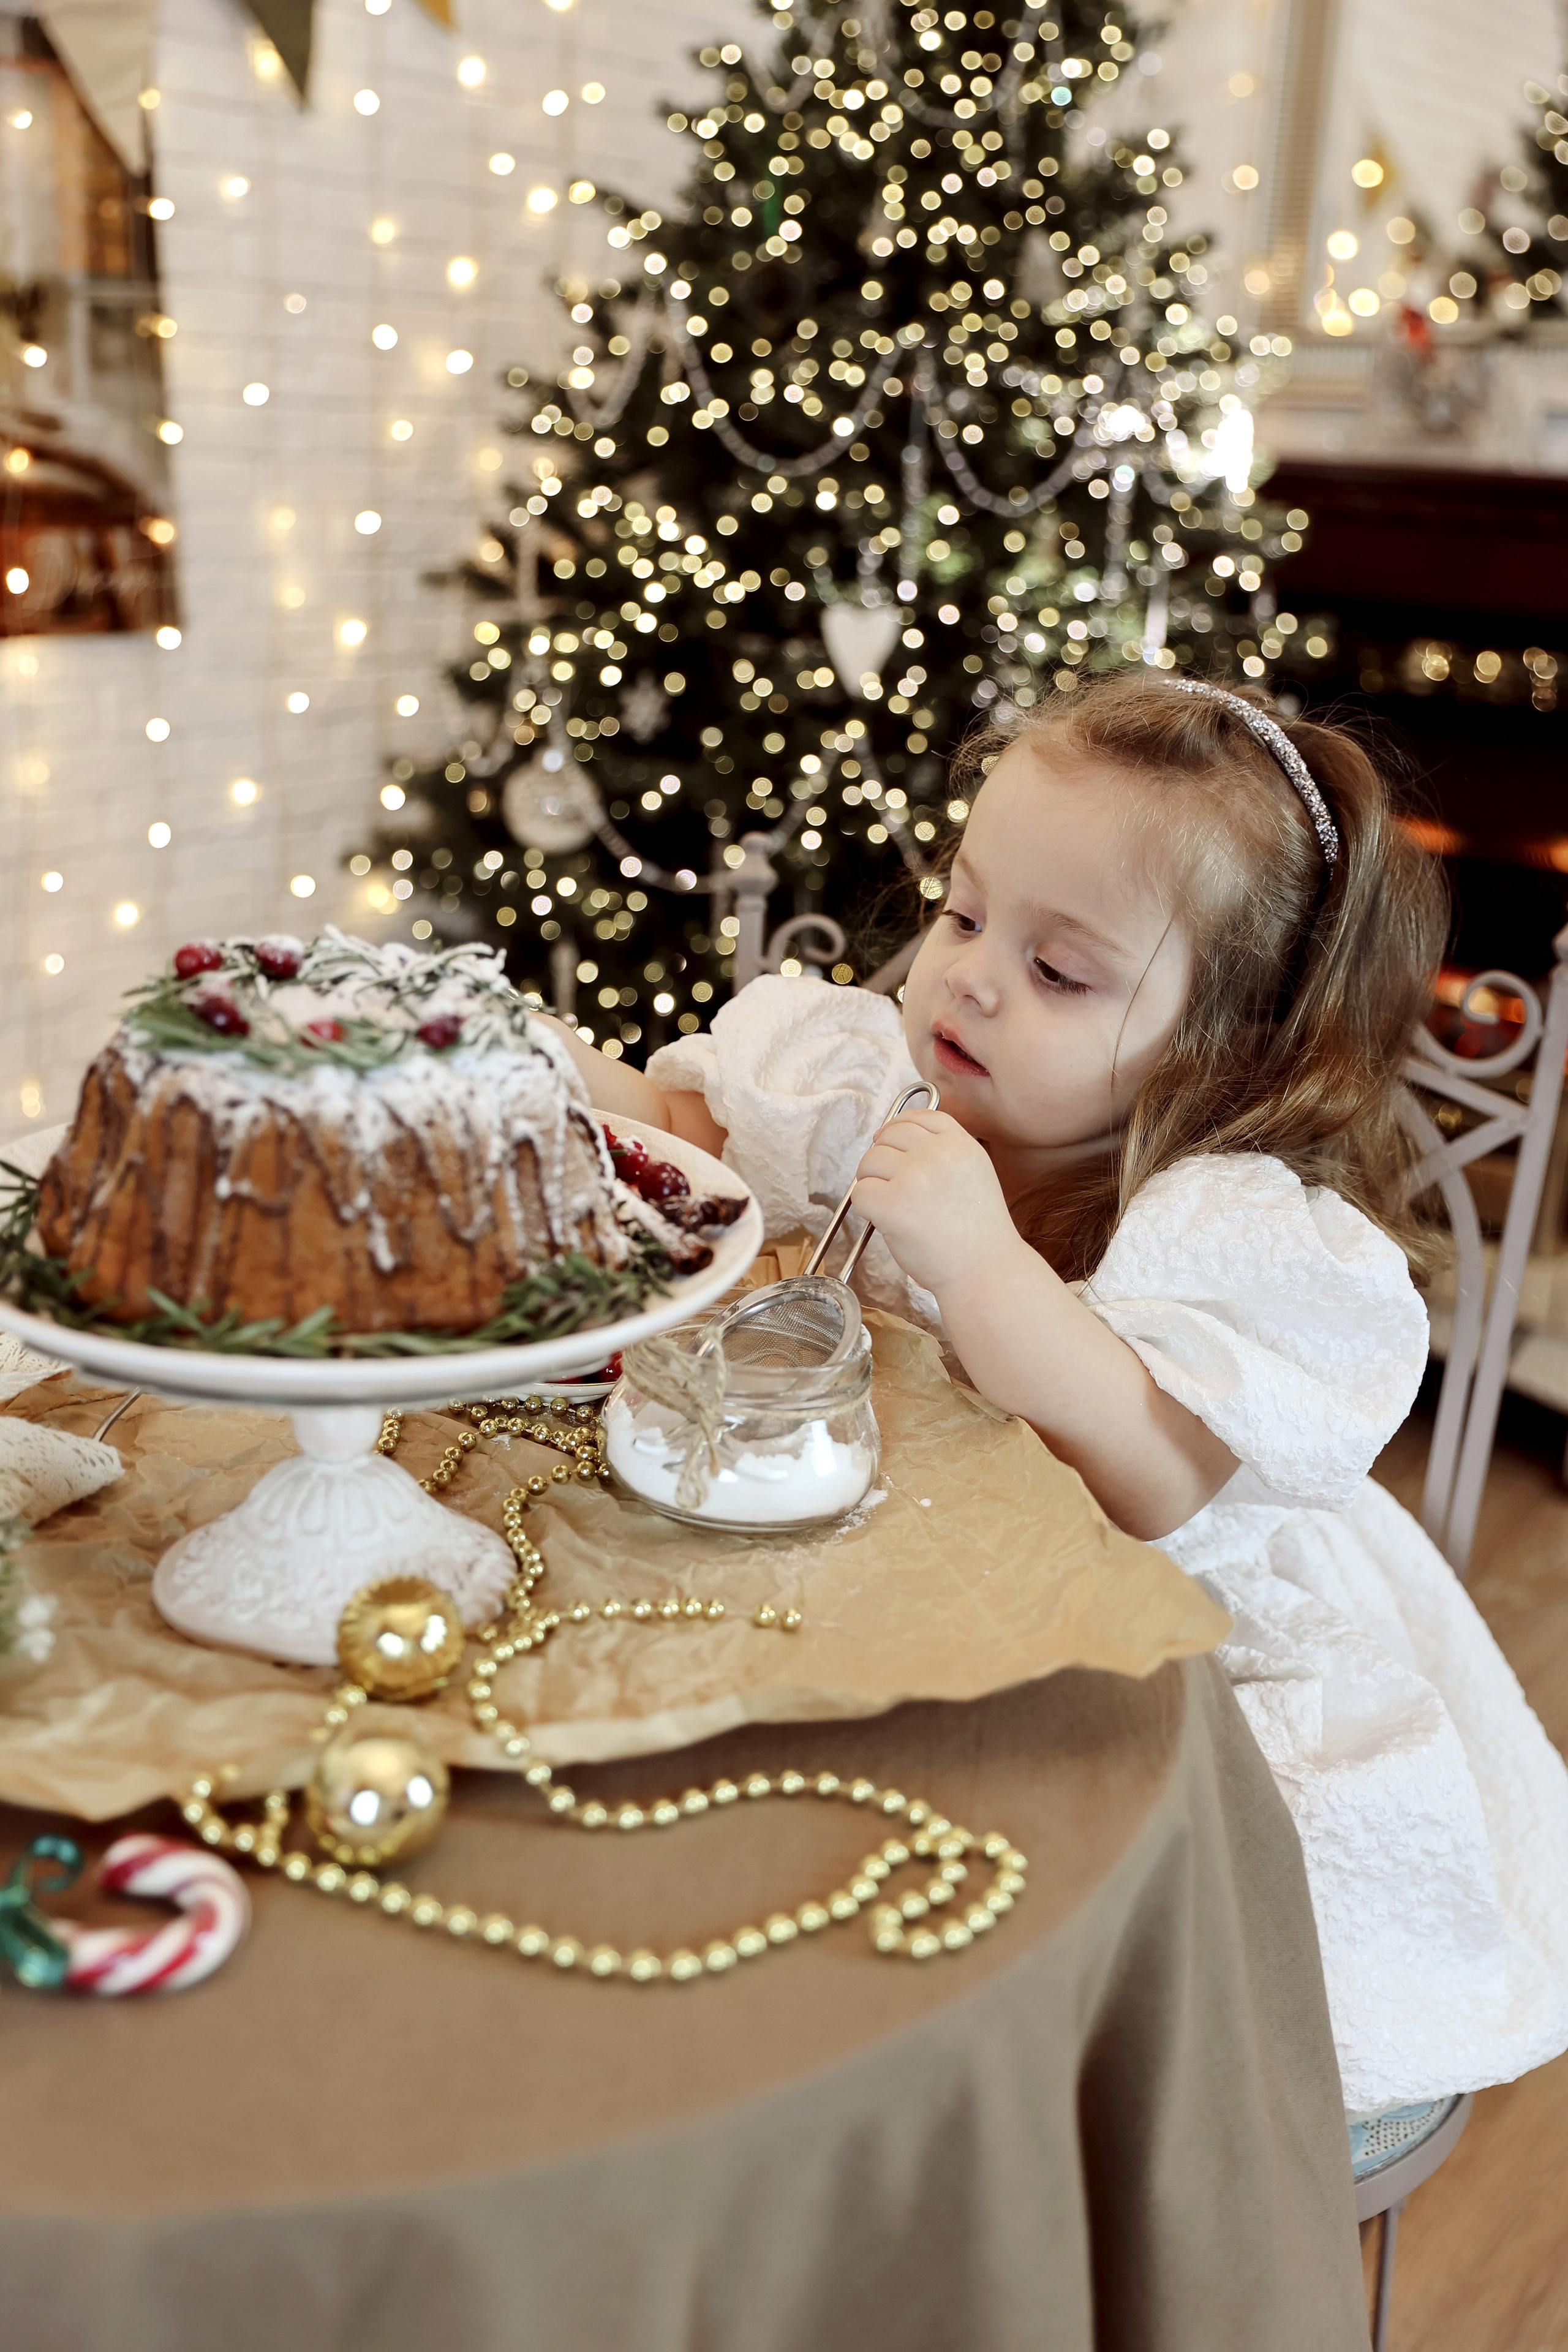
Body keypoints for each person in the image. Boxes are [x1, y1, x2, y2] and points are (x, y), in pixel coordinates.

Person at [542, 670, 1568, 2119]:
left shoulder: (1218, 1222)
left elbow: (1151, 1485)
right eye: (964, 915)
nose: (966, 975)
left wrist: (977, 1264)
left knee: (999, 1921)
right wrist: (558, 1076)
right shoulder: (875, 1086)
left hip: (1135, 1650)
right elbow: (685, 1127)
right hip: (879, 1569)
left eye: (1060, 972)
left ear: (1217, 1043)